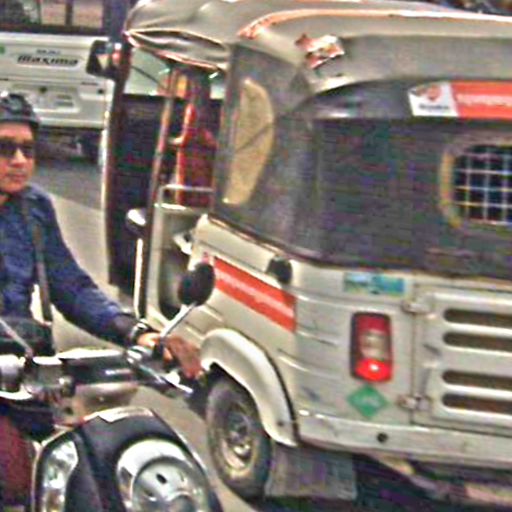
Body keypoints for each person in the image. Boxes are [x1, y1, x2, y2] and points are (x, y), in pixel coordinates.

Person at [0, 91, 160, 353]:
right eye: (5, 149)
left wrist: (133, 331)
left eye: (28, 150)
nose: (19, 161)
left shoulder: (34, 208)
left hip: (18, 359)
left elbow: (71, 287)